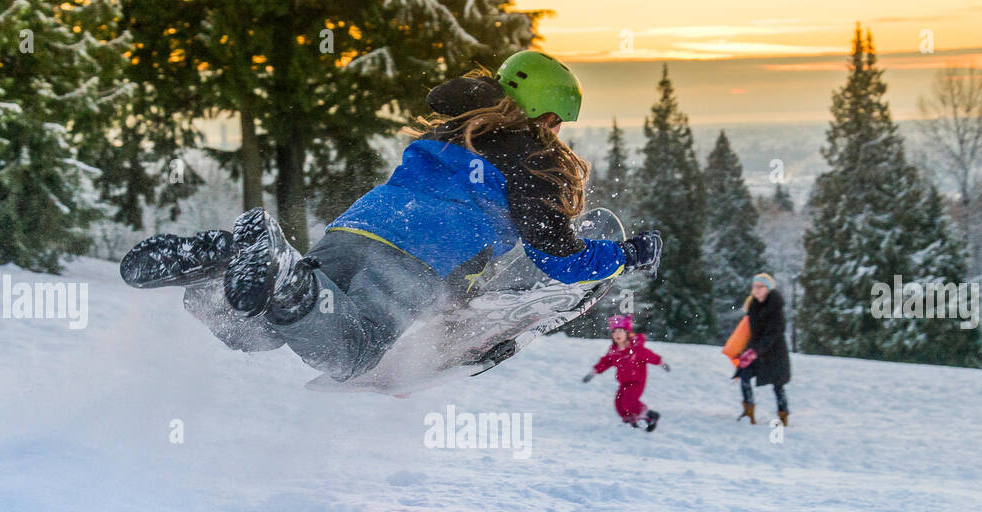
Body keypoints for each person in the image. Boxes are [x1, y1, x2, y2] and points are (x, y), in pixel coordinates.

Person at [119, 51, 662, 382]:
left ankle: (224, 267)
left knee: (260, 331)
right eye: (559, 123)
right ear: (546, 118)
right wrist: (626, 255)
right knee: (350, 353)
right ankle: (284, 276)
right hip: (420, 259)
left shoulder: (452, 131)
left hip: (358, 226)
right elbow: (560, 261)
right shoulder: (533, 159)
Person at [583, 315, 669, 431]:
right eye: (614, 332)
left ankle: (649, 415)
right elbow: (606, 361)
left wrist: (661, 363)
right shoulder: (614, 351)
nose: (617, 334)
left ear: (627, 333)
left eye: (620, 331)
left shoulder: (636, 349)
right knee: (619, 403)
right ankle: (631, 420)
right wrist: (594, 372)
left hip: (636, 381)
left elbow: (650, 356)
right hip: (624, 382)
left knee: (628, 401)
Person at [733, 273, 791, 425]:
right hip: (756, 351)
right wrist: (746, 351)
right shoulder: (753, 306)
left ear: (768, 288)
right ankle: (748, 410)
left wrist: (754, 352)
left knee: (778, 385)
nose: (756, 290)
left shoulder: (776, 307)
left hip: (775, 353)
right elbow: (752, 333)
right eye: (754, 286)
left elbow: (773, 335)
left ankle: (783, 415)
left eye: (760, 286)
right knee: (744, 375)